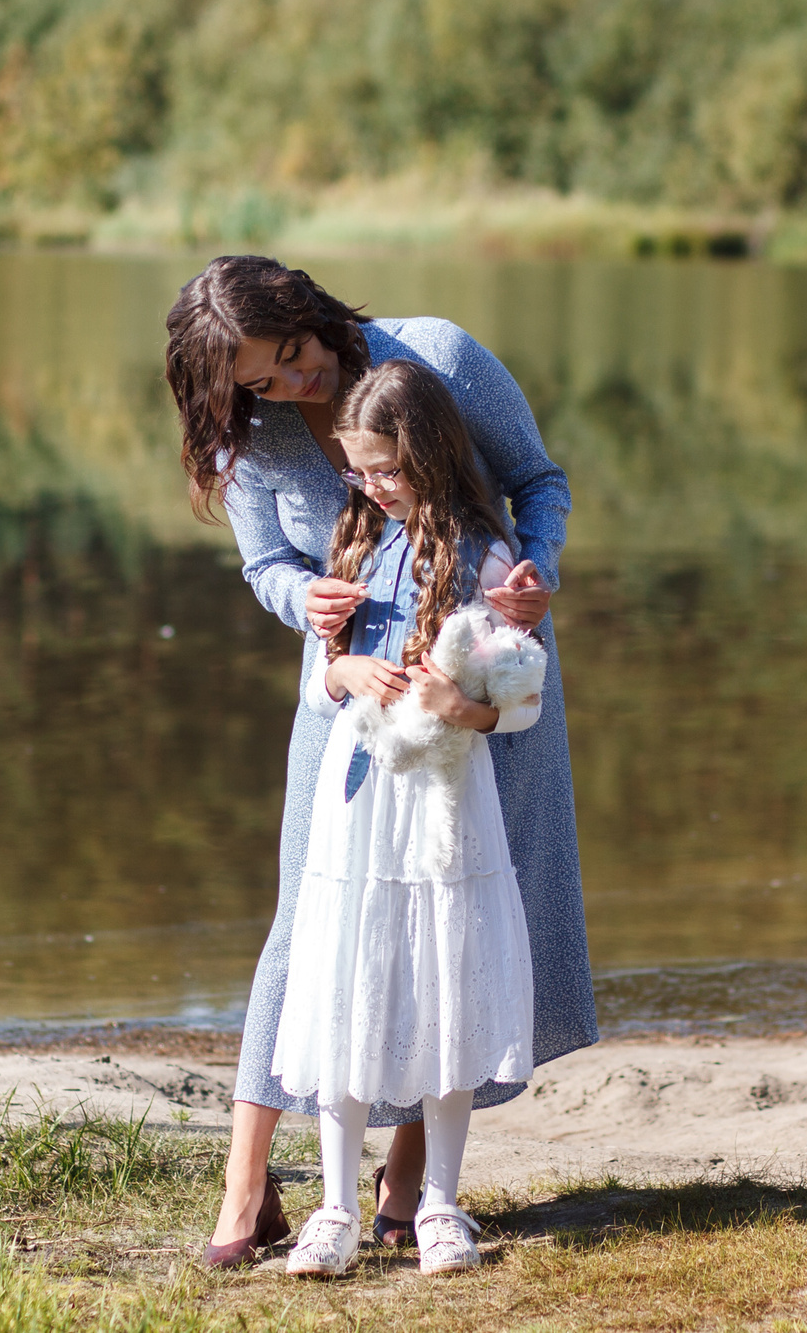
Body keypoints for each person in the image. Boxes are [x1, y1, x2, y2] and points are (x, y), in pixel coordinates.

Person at [162, 256, 596, 1269]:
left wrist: (533, 576)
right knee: (308, 917)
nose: (292, 385)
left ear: (310, 315)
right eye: (264, 381)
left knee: (457, 906)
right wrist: (298, 604)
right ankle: (247, 1190)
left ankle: (408, 1187)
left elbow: (537, 481)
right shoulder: (251, 434)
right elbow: (267, 562)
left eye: (298, 357)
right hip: (351, 687)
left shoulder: (432, 357)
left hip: (475, 674)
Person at [274, 360, 543, 1278]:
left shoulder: (489, 555)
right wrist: (342, 670)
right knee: (351, 972)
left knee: (443, 977)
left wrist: (463, 705)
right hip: (357, 804)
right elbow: (323, 682)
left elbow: (522, 698)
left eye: (386, 469)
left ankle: (439, 1203)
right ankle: (337, 1207)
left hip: (444, 802)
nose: (373, 487)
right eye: (360, 471)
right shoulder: (355, 541)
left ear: (427, 454)